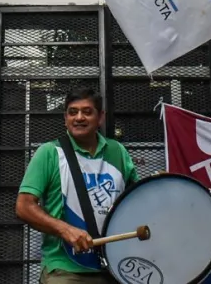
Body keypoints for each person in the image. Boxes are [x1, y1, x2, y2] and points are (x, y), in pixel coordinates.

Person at [16, 87, 138, 284]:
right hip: (65, 269)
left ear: (100, 117)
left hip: (116, 266)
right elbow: (24, 206)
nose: (79, 117)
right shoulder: (49, 153)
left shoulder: (118, 151)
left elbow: (136, 198)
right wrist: (65, 229)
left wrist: (157, 187)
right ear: (65, 118)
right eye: (73, 112)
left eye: (87, 112)